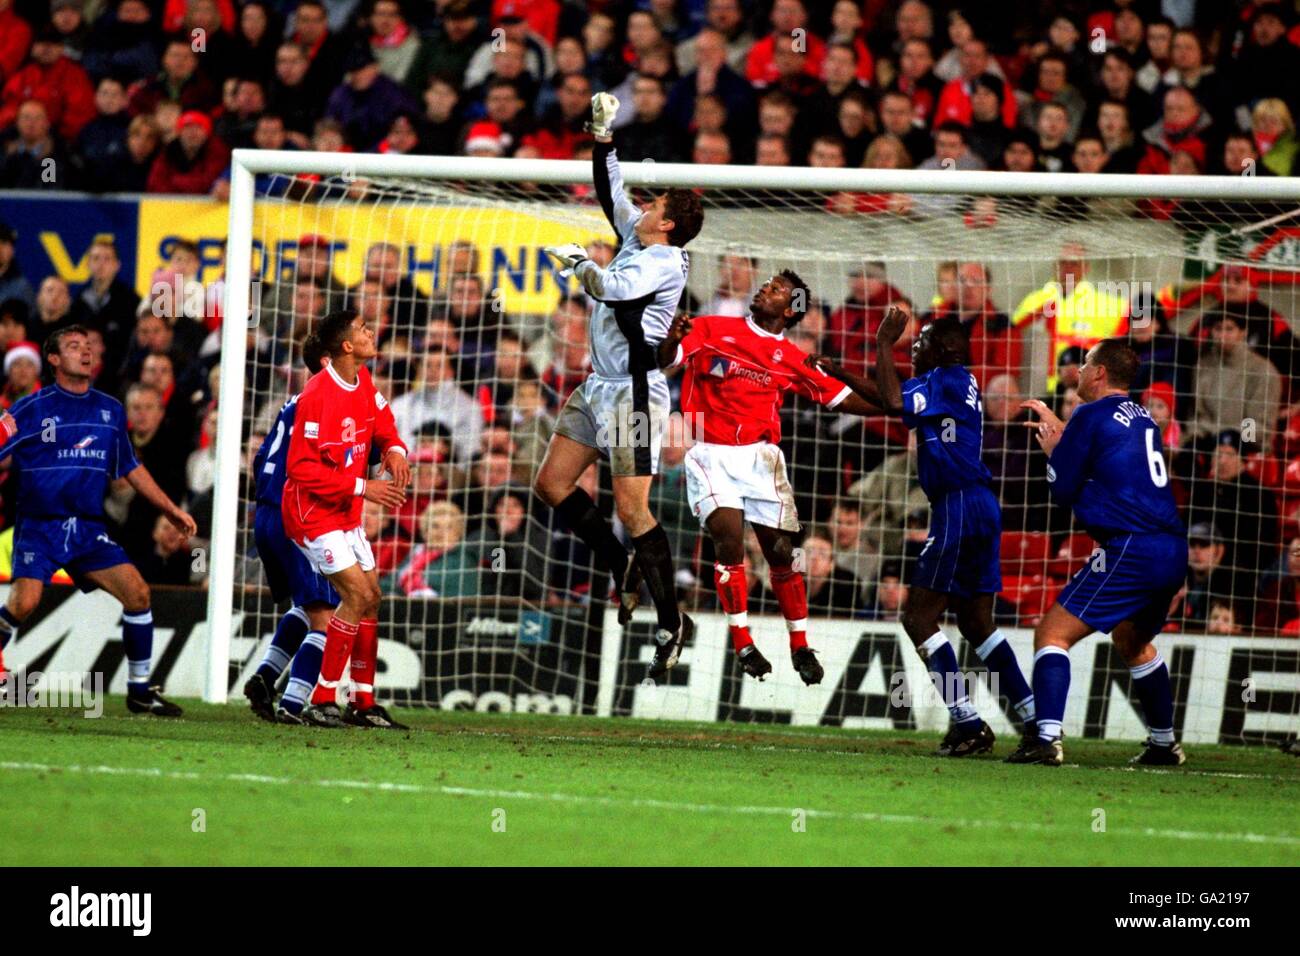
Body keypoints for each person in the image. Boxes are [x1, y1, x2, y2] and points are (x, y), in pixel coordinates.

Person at [813, 308, 1037, 757]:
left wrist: (881, 343)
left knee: (917, 618)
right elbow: (887, 399)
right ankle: (1036, 722)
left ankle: (968, 722)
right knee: (976, 622)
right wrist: (838, 378)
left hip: (957, 506)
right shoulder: (951, 383)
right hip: (978, 505)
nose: (913, 347)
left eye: (921, 341)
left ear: (946, 350)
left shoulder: (947, 379)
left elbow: (892, 403)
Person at [535, 92, 703, 681]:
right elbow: (611, 191)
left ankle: (670, 623)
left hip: (634, 393)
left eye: (653, 204)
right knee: (553, 483)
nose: (644, 206)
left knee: (633, 509)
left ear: (670, 223)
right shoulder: (642, 238)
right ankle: (618, 564)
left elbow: (608, 290)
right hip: (598, 384)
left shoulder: (663, 263)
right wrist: (603, 139)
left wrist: (581, 262)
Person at [657, 270, 881, 683]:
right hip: (710, 452)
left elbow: (844, 399)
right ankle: (743, 642)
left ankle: (800, 644)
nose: (765, 288)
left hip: (761, 460)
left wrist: (894, 406)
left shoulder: (793, 358)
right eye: (768, 284)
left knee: (780, 552)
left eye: (777, 289)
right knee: (728, 539)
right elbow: (666, 360)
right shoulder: (710, 328)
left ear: (791, 309)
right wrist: (673, 335)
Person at [0, 326, 197, 715]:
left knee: (138, 594)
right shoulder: (30, 408)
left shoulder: (110, 410)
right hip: (41, 525)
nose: (85, 352)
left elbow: (130, 467)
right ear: (54, 360)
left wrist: (170, 509)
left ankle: (140, 690)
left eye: (88, 346)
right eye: (74, 347)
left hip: (88, 529)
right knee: (24, 604)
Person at [1013, 339, 1188, 767]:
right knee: (1133, 640)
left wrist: (1054, 451)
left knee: (1052, 634)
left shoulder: (1090, 413)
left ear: (1100, 374)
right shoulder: (1143, 416)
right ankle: (1164, 744)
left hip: (1131, 545)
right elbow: (1108, 464)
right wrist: (1067, 437)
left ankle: (1046, 739)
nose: (1078, 372)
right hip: (1172, 549)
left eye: (1085, 363)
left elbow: (1063, 488)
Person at [282, 309, 411, 729]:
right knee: (355, 595)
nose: (371, 331)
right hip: (311, 515)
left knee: (372, 596)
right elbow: (300, 468)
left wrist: (395, 451)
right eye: (362, 329)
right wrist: (363, 488)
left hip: (345, 514)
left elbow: (383, 424)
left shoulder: (364, 382)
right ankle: (321, 700)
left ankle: (363, 701)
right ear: (346, 346)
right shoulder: (316, 394)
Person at [241, 336, 343, 722]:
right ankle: (294, 704)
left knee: (305, 604)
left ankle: (265, 678)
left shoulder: (292, 404)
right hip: (297, 514)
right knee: (326, 615)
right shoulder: (326, 404)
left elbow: (259, 457)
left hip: (267, 512)